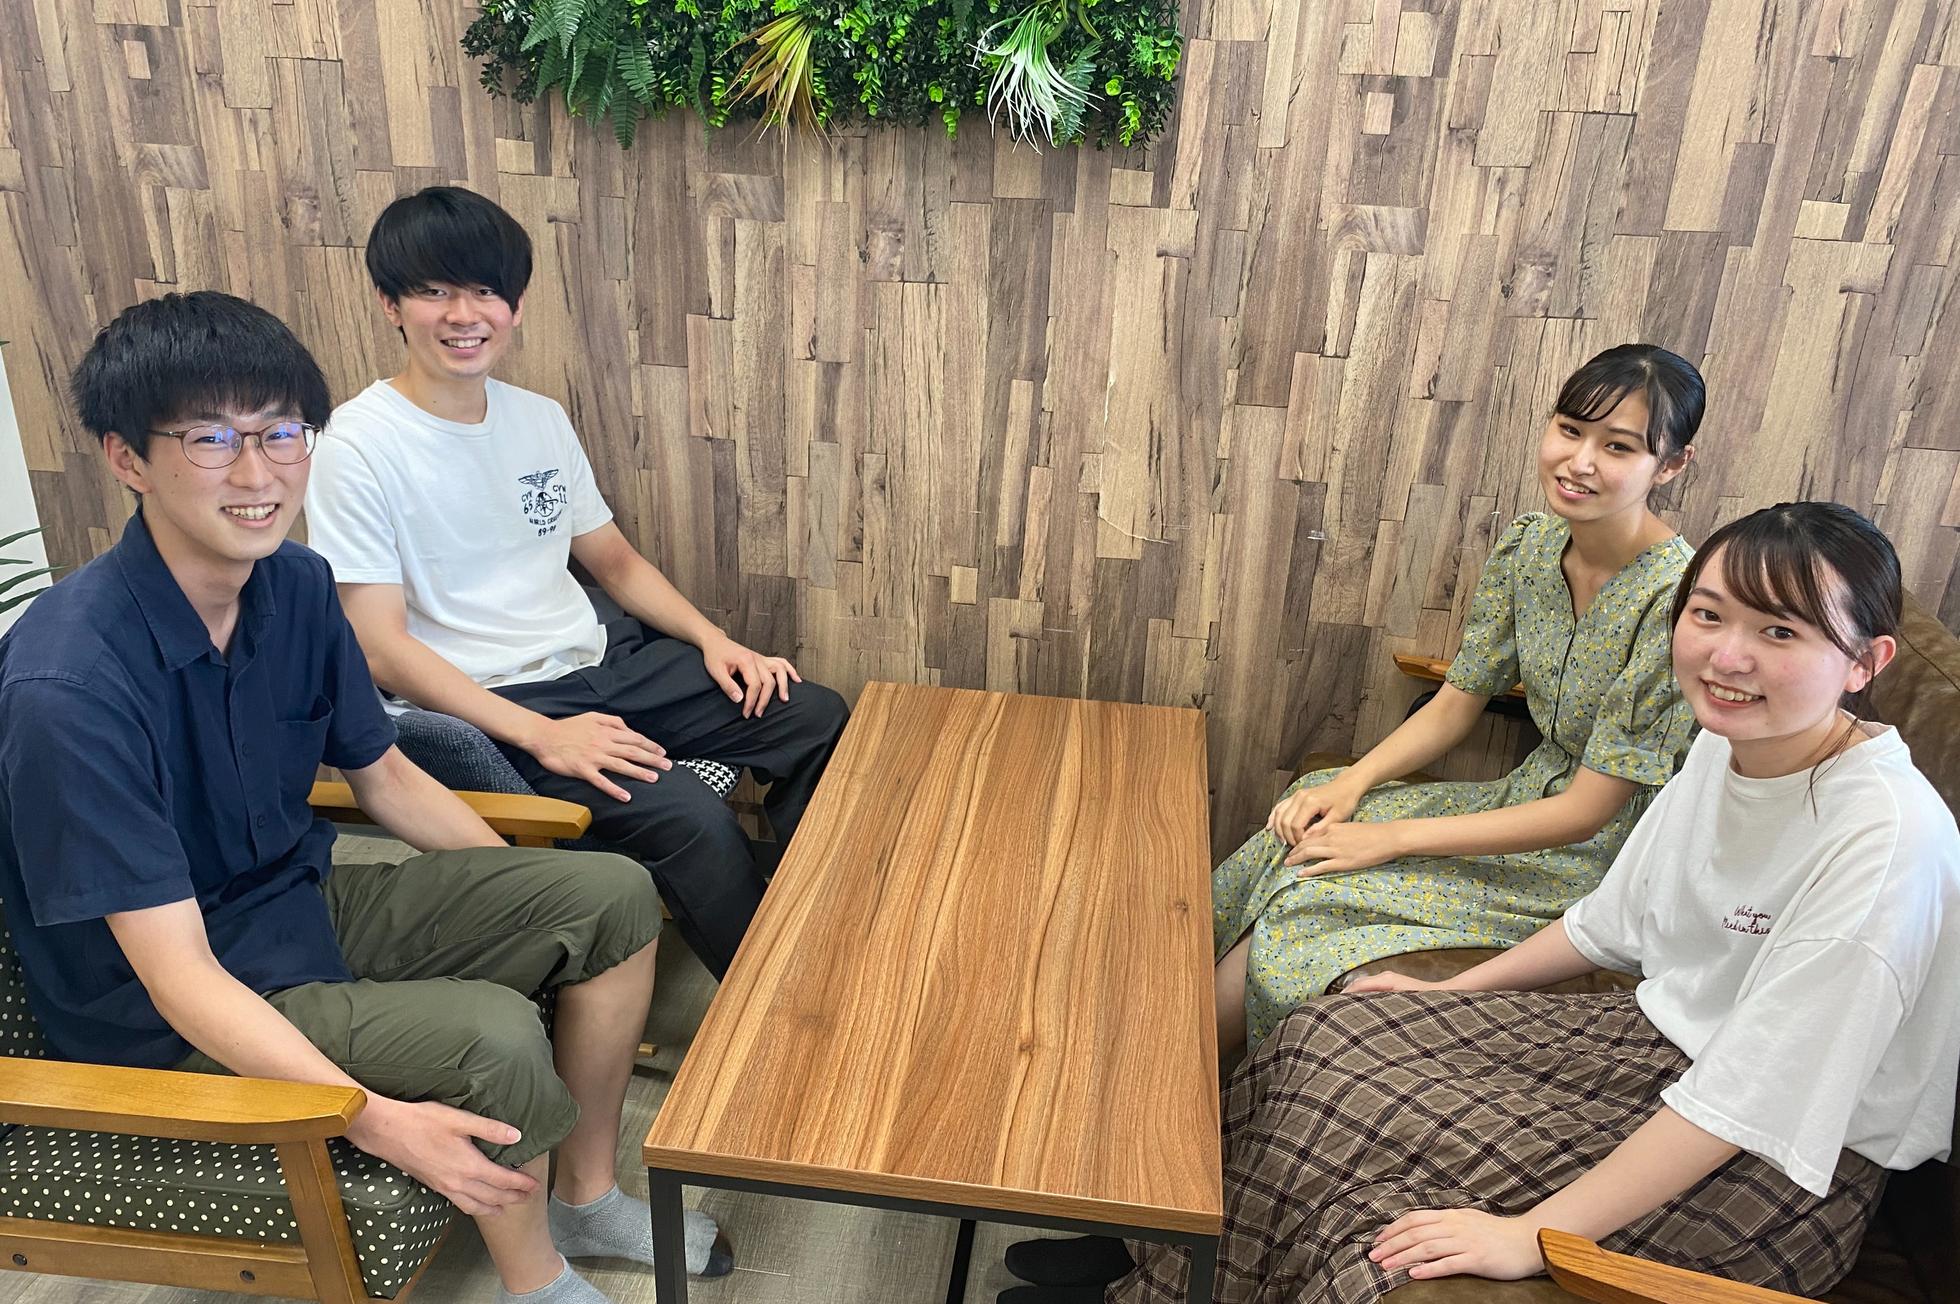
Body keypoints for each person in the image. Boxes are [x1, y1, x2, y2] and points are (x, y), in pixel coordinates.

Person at [1009, 501, 1960, 1304]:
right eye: (1709, 616)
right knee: (1322, 1039)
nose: (1728, 657)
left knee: (1376, 1203)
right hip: (1660, 1043)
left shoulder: (1884, 843)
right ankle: (1159, 1265)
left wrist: (1533, 1235)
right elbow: (1608, 924)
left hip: (1773, 1165)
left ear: (1865, 662)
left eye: (1780, 633)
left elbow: (1750, 1100)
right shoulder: (1728, 745)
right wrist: (1447, 995)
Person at [0, 292, 730, 1304]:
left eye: (280, 432)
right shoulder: (69, 683)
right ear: (127, 458)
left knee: (605, 892)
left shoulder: (297, 585)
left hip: (295, 909)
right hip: (167, 1014)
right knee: (489, 1032)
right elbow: (177, 978)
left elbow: (383, 774)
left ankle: (585, 1192)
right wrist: (374, 1118)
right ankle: (537, 1283)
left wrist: (519, 909)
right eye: (211, 440)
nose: (258, 474)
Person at [303, 185, 849, 979]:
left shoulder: (538, 418)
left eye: (485, 290)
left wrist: (715, 641)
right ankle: (779, 998)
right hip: (498, 702)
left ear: (516, 305)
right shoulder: (356, 446)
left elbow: (614, 562)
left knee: (812, 717)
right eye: (434, 292)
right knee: (691, 817)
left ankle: (831, 925)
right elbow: (380, 649)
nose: (465, 315)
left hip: (603, 659)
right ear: (391, 305)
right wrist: (540, 734)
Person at [1213, 344, 1706, 1056]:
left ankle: (1204, 1084)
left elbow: (1588, 812)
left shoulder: (1679, 602)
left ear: (1671, 466)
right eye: (1570, 430)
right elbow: (1456, 702)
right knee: (1303, 824)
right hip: (1526, 797)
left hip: (1607, 856)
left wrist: (1391, 837)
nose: (1580, 462)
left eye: (1618, 446)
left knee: (1313, 897)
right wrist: (1353, 785)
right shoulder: (1531, 547)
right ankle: (1164, 1047)